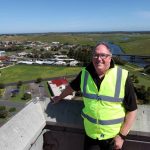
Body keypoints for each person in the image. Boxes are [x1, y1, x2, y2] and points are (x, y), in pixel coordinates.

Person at [51, 42, 137, 150]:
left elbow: (132, 110)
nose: (99, 58)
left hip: (113, 139)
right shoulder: (84, 74)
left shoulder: (122, 76)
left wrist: (121, 136)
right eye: (96, 55)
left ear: (110, 57)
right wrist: (59, 97)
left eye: (103, 55)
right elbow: (71, 87)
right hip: (91, 136)